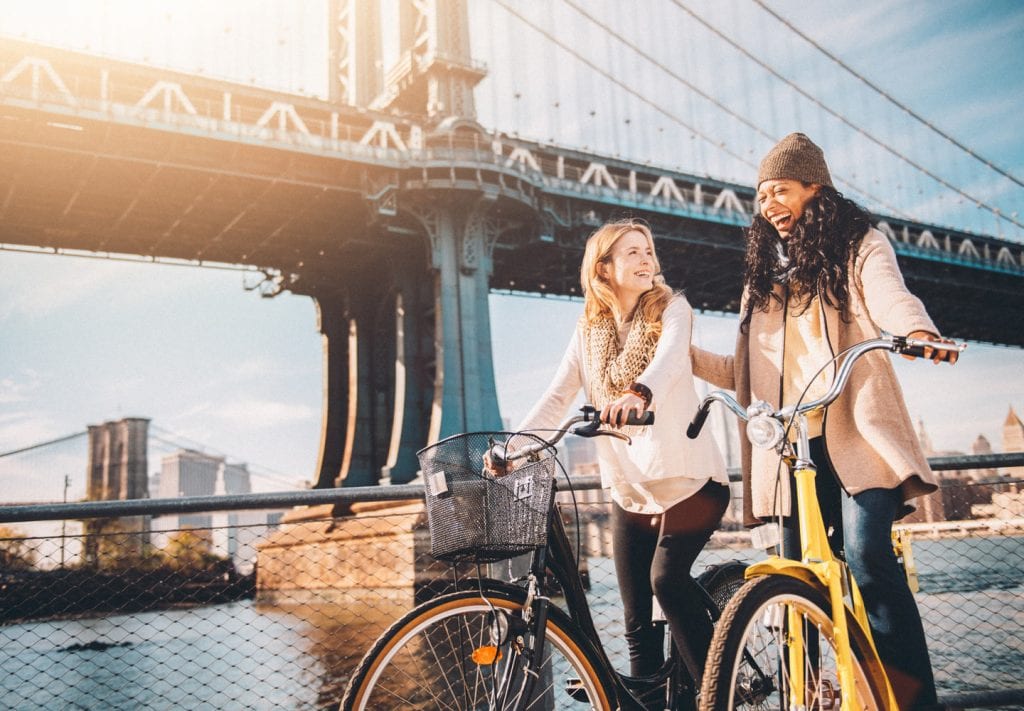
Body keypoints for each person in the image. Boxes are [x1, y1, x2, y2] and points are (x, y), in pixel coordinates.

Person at [691, 132, 958, 710]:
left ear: (817, 189)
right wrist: (675, 354)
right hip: (791, 449)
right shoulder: (763, 278)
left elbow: (888, 292)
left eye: (780, 190)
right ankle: (810, 694)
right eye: (761, 196)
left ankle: (913, 702)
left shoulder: (859, 245)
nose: (768, 205)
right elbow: (743, 366)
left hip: (854, 433)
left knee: (866, 558)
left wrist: (915, 330)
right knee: (790, 576)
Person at [504, 218, 730, 696]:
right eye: (632, 253)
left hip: (692, 481)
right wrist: (512, 448)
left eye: (648, 250)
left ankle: (720, 692)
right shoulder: (587, 331)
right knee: (636, 623)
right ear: (603, 268)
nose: (647, 259)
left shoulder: (674, 307)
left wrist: (638, 393)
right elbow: (557, 395)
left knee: (666, 582)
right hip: (632, 488)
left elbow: (668, 361)